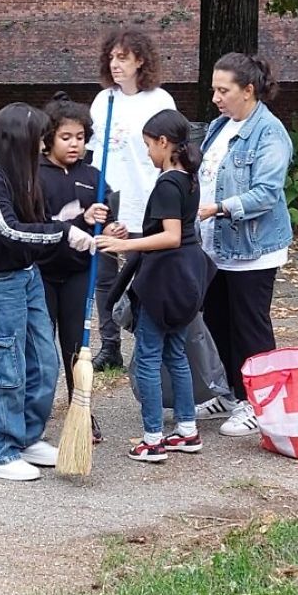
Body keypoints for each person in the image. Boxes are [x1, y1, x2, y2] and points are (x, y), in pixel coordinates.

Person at [0, 103, 104, 482]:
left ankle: (27, 437)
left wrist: (72, 225)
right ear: (18, 140)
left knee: (44, 361)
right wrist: (63, 233)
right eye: (36, 138)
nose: (42, 145)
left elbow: (41, 221)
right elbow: (10, 231)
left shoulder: (26, 172)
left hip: (28, 275)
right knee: (7, 365)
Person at [96, 109, 214, 462]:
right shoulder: (189, 178)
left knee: (148, 357)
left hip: (165, 279)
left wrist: (123, 245)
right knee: (175, 353)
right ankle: (187, 431)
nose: (147, 153)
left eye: (149, 145)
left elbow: (171, 236)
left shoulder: (167, 182)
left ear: (164, 143)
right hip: (189, 277)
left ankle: (152, 438)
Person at [194, 53, 294, 437]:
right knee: (217, 320)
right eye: (214, 90)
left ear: (248, 91)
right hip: (214, 245)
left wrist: (219, 208)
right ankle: (231, 393)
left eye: (224, 90)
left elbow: (267, 193)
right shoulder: (221, 125)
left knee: (250, 327)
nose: (216, 98)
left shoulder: (270, 133)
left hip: (252, 250)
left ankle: (260, 402)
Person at [88, 28, 176, 372]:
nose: (115, 64)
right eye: (111, 57)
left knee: (146, 280)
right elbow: (95, 155)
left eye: (122, 57)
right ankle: (110, 346)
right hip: (110, 200)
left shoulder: (159, 101)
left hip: (148, 201)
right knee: (104, 278)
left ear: (141, 60)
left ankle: (148, 347)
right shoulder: (104, 100)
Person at [36, 92, 118, 443]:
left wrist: (112, 226)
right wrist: (79, 217)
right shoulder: (35, 175)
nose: (74, 144)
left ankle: (81, 410)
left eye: (80, 137)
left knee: (76, 345)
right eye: (66, 137)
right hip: (41, 270)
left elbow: (106, 218)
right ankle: (33, 416)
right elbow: (38, 223)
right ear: (49, 138)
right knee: (40, 349)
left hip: (78, 272)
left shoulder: (94, 176)